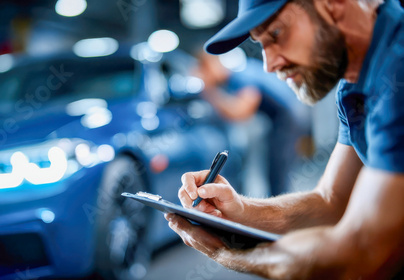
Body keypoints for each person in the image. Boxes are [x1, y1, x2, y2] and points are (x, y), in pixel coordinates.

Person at [165, 0, 404, 278]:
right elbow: (332, 201)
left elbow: (360, 253)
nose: (269, 64)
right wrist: (240, 209)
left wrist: (226, 254)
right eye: (261, 43)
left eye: (277, 34)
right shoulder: (353, 83)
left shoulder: (398, 70)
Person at [195, 50, 311, 196]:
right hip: (291, 115)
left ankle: (281, 211)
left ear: (211, 65)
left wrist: (208, 91)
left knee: (278, 170)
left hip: (289, 118)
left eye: (203, 70)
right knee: (279, 169)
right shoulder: (242, 72)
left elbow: (240, 112)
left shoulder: (241, 76)